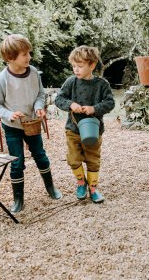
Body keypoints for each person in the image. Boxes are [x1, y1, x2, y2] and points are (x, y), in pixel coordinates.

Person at [0, 34, 62, 214]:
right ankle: (18, 199)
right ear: (10, 58)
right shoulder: (2, 79)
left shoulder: (34, 73)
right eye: (24, 54)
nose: (29, 57)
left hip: (32, 124)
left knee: (40, 156)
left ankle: (51, 188)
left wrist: (39, 107)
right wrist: (9, 114)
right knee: (17, 162)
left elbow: (40, 94)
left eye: (29, 53)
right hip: (12, 127)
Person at [55, 46, 115, 203]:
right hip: (73, 130)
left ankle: (93, 189)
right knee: (74, 159)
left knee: (93, 159)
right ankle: (81, 183)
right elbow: (59, 99)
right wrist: (70, 104)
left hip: (94, 131)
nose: (76, 69)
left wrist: (94, 108)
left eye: (80, 66)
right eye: (74, 66)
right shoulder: (70, 82)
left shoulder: (102, 84)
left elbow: (110, 103)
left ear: (92, 65)